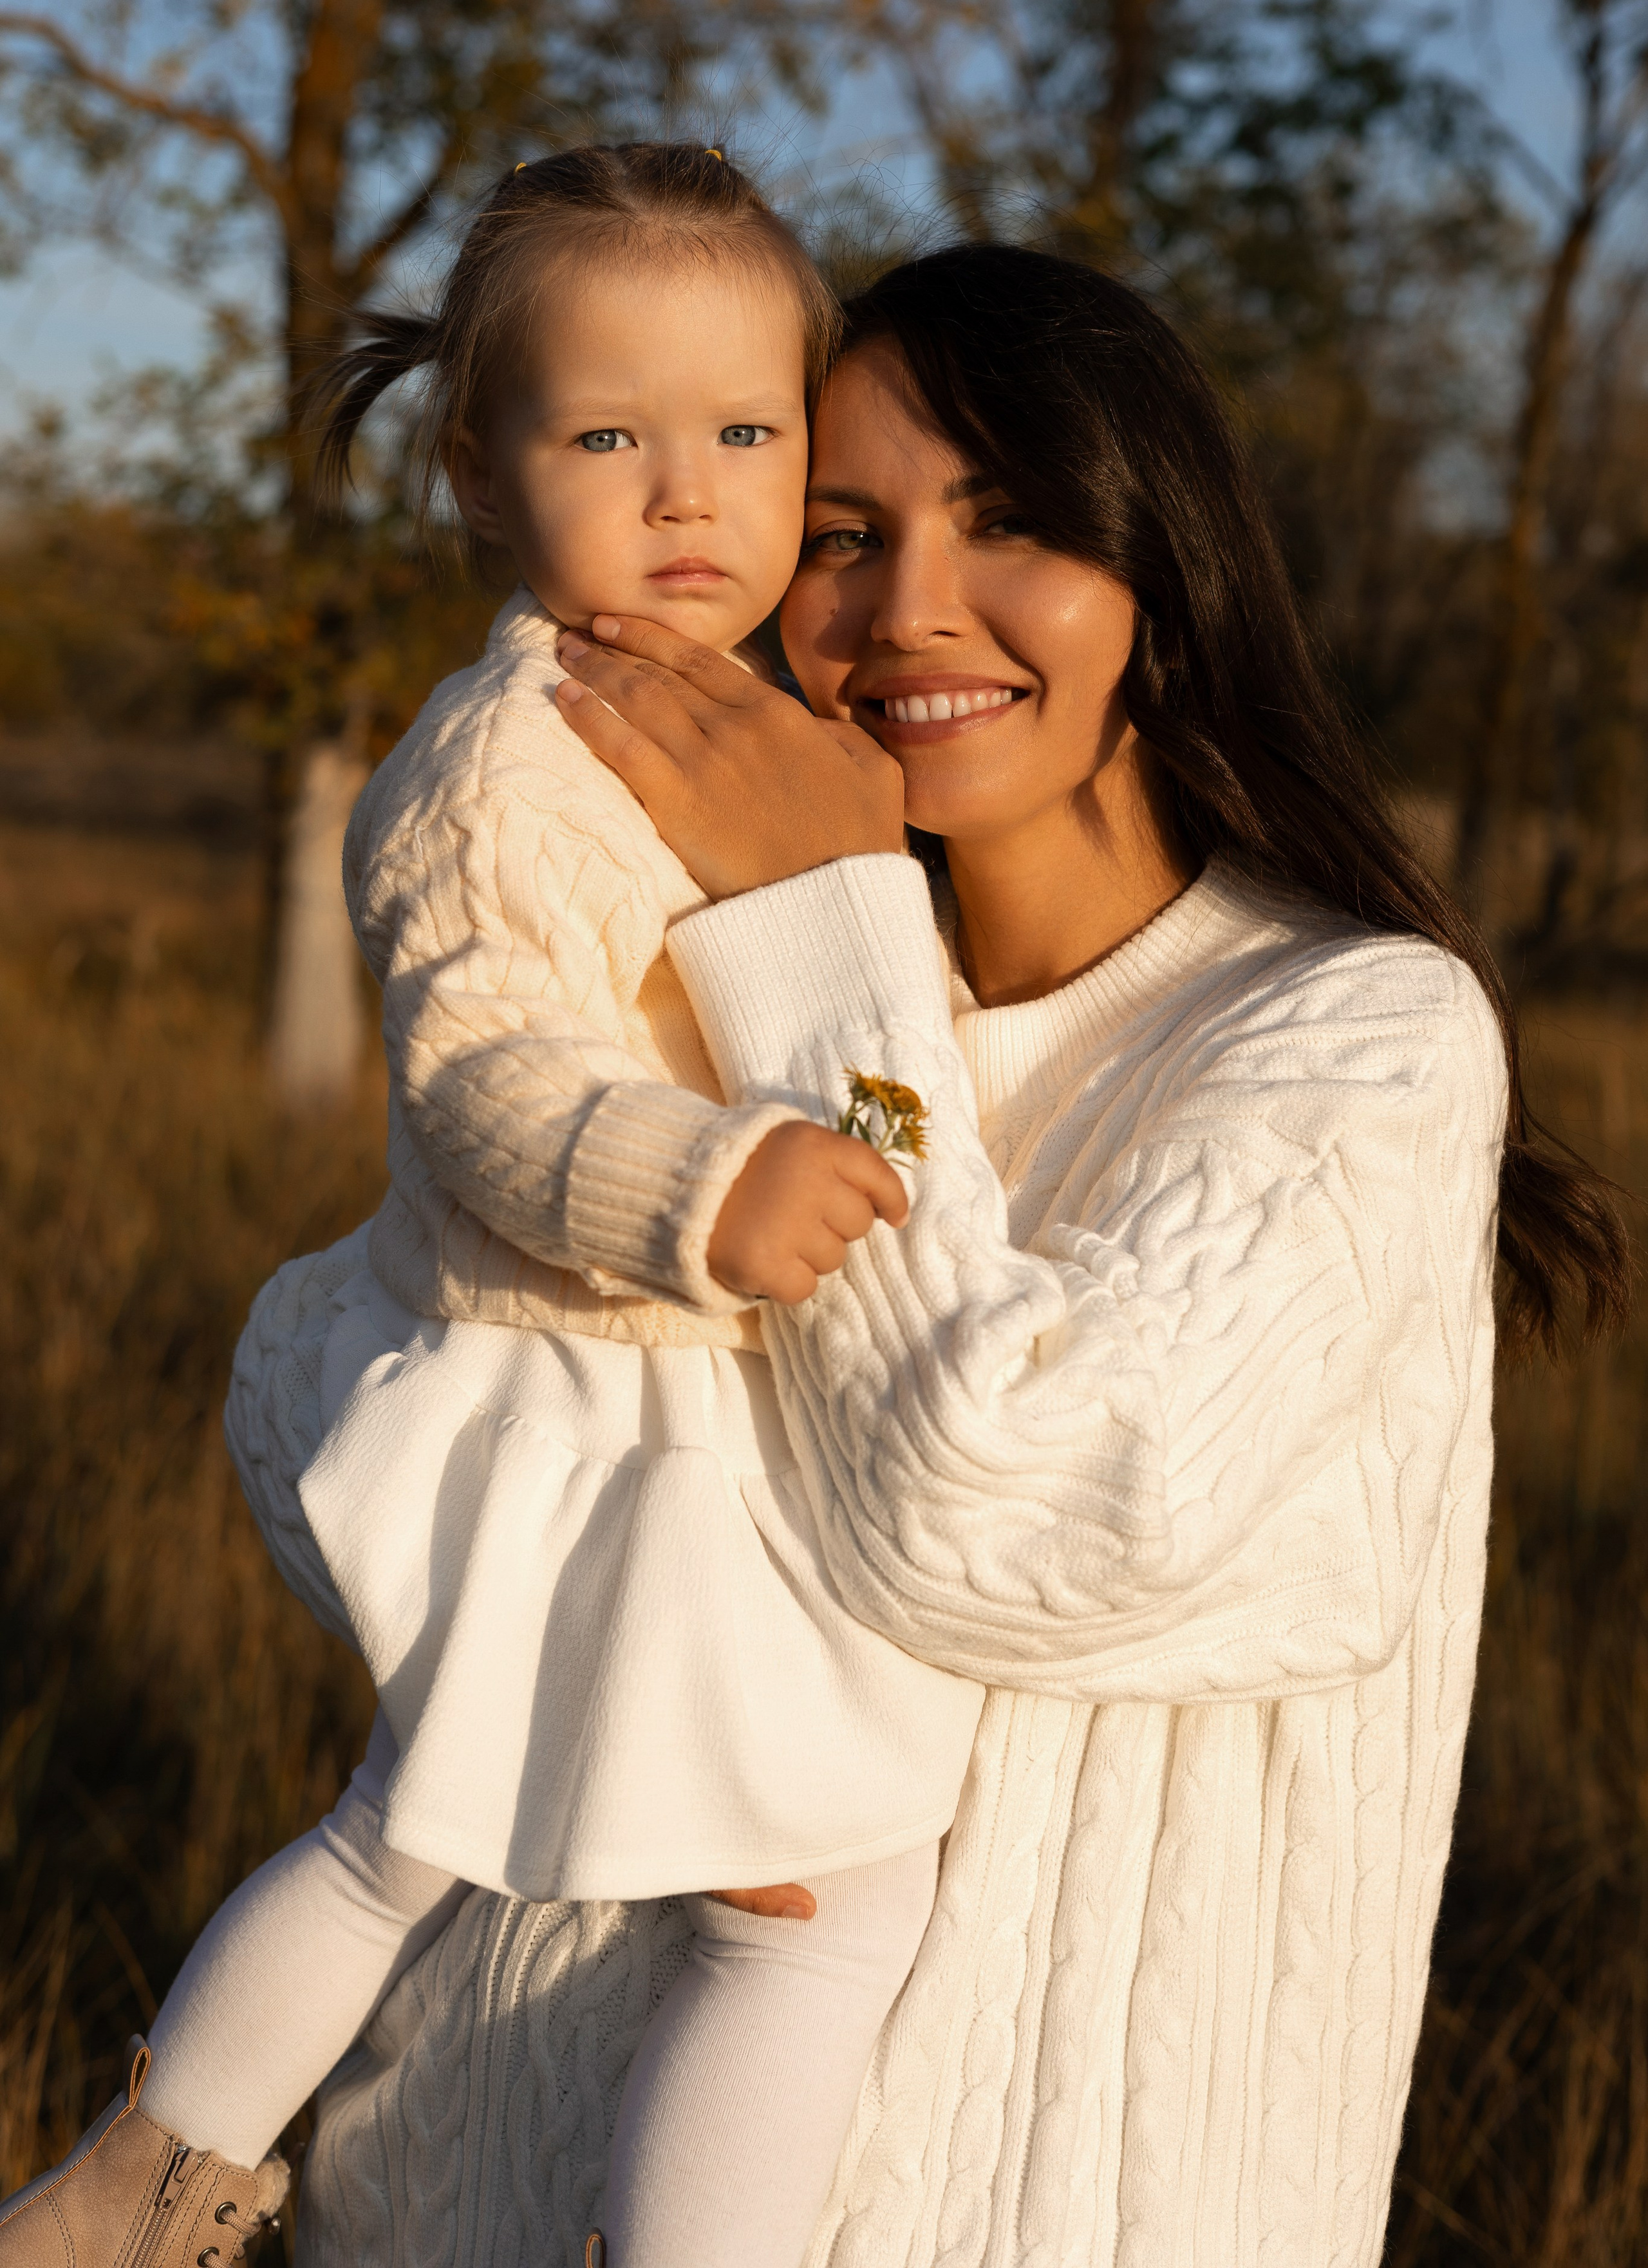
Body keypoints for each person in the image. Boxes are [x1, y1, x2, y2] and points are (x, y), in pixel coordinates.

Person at [288, 242, 1630, 2268]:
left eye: (1010, 521)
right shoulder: (687, 987)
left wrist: (827, 922)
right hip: (467, 2175)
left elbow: (996, 1515)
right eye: (843, 533)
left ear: (1159, 571)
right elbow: (355, 1448)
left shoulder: (1354, 1035)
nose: (911, 606)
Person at [0, 147, 985, 2268]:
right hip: (586, 1398)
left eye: (747, 435)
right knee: (791, 1897)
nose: (688, 495)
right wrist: (707, 1182)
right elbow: (486, 1081)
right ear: (476, 469)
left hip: (670, 1404)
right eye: (608, 439)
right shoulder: (497, 769)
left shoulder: (754, 720)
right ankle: (138, 2194)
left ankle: (129, 2195)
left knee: (424, 1837)